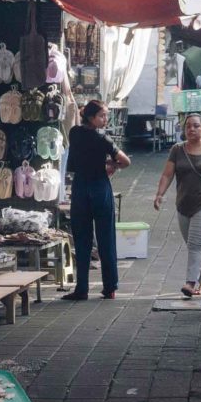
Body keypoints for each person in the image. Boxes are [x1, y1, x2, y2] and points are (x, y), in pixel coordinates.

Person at [154, 113, 201, 297]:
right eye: (188, 126)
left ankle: (190, 283)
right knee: (195, 245)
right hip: (183, 204)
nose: (191, 129)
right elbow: (167, 174)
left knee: (194, 244)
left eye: (196, 126)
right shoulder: (177, 150)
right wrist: (160, 194)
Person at [66, 99, 129, 300]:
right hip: (100, 188)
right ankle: (110, 287)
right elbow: (126, 161)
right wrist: (112, 164)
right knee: (106, 239)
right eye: (102, 115)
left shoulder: (74, 133)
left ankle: (81, 288)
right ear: (91, 117)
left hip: (80, 188)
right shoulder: (103, 139)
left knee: (82, 239)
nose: (106, 119)